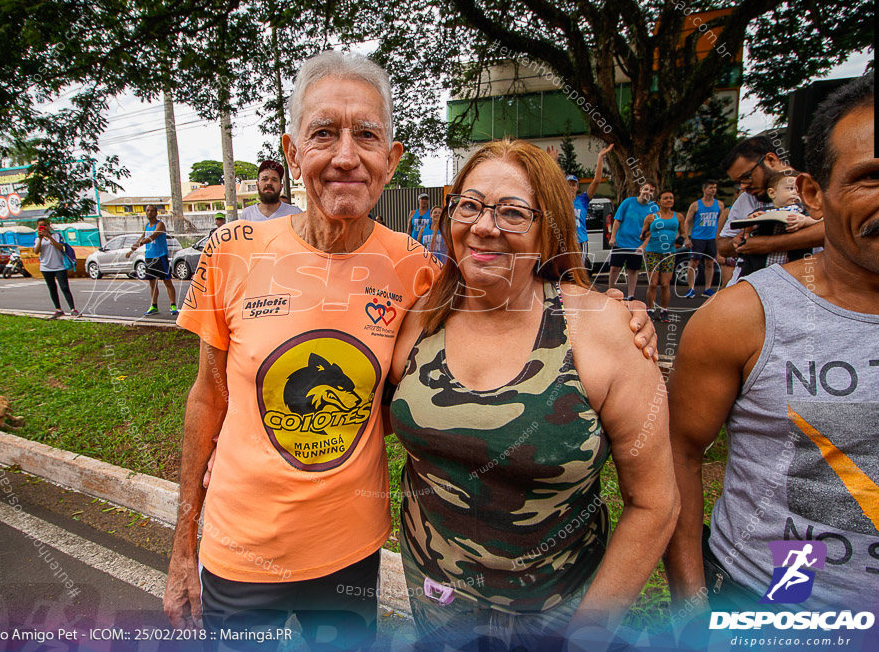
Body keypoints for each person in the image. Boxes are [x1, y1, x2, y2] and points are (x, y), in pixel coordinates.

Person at [163, 51, 661, 647]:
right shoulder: (231, 250)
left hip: (349, 552)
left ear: (390, 160)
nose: (345, 155)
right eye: (323, 134)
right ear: (293, 153)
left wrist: (614, 315)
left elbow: (512, 283)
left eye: (366, 136)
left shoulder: (417, 273)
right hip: (238, 551)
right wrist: (181, 542)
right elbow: (206, 398)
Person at [387, 139, 678, 650]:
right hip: (436, 598)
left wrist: (587, 631)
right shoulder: (418, 317)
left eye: (513, 212)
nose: (483, 226)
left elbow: (655, 503)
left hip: (556, 608)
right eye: (470, 205)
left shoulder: (604, 331)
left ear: (549, 232)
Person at [665, 74, 879, 618]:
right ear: (815, 191)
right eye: (874, 177)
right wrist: (691, 609)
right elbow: (677, 451)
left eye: (749, 176)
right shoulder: (737, 319)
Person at [717, 136, 824, 286]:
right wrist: (738, 242)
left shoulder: (815, 187)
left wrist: (767, 244)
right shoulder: (746, 198)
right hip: (750, 290)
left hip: (802, 288)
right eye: (738, 182)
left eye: (747, 176)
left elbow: (832, 230)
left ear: (771, 160)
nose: (743, 186)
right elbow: (722, 246)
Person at [735, 171, 821, 278]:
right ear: (772, 193)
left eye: (799, 190)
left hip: (793, 267)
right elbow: (748, 230)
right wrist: (751, 223)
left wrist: (804, 221)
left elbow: (820, 221)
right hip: (761, 267)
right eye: (790, 188)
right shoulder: (762, 211)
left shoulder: (803, 211)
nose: (795, 193)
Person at [547, 143, 614, 268]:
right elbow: (553, 181)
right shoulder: (560, 200)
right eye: (568, 184)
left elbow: (597, 181)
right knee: (562, 269)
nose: (571, 187)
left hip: (580, 241)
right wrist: (553, 162)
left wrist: (600, 157)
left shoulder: (582, 200)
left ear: (577, 187)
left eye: (573, 184)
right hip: (563, 240)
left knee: (578, 269)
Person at [638, 190, 687, 322]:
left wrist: (680, 241)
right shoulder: (651, 217)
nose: (669, 200)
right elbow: (642, 235)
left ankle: (664, 310)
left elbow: (683, 233)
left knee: (665, 284)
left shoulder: (678, 217)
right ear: (659, 202)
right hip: (653, 252)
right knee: (653, 283)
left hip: (669, 253)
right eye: (666, 198)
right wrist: (645, 234)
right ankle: (651, 309)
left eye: (671, 198)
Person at [607, 180, 659, 300]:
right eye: (646, 189)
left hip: (637, 244)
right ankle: (611, 291)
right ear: (640, 190)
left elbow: (653, 229)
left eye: (651, 191)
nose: (648, 192)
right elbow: (617, 219)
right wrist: (613, 237)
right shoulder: (628, 202)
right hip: (621, 241)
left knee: (633, 269)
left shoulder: (654, 208)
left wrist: (644, 245)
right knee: (615, 267)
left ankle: (631, 294)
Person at [126, 205, 177, 316]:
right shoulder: (147, 226)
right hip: (149, 257)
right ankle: (154, 306)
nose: (149, 212)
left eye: (152, 211)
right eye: (148, 210)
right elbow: (142, 237)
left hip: (160, 256)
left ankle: (173, 305)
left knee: (167, 281)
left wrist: (141, 242)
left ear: (156, 213)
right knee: (152, 284)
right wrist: (131, 250)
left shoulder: (160, 225)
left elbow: (153, 236)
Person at [684, 180, 727, 297]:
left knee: (710, 262)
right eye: (710, 188)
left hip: (712, 237)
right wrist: (686, 237)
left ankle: (707, 288)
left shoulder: (719, 204)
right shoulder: (696, 205)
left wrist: (721, 235)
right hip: (698, 237)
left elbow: (722, 220)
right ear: (704, 189)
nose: (713, 190)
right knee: (694, 262)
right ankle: (691, 288)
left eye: (715, 188)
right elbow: (687, 221)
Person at [33, 219, 80, 319]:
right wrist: (41, 239)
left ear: (49, 226)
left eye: (45, 225)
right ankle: (58, 309)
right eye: (40, 226)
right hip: (45, 267)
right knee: (52, 288)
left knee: (64, 287)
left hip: (59, 266)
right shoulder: (37, 239)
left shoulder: (57, 236)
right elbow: (36, 252)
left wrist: (49, 237)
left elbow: (60, 247)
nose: (43, 228)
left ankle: (73, 309)